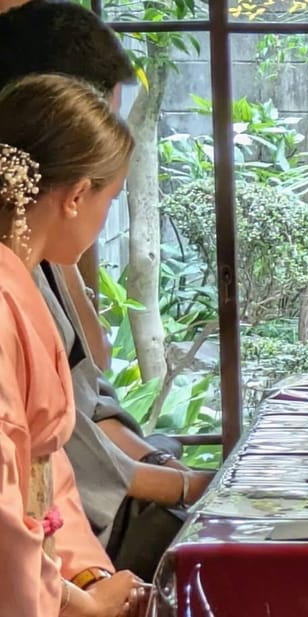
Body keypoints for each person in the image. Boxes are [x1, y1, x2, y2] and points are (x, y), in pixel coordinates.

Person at [0, 0, 213, 580]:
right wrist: (83, 592)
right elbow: (28, 487)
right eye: (106, 198)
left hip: (59, 544)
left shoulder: (29, 265)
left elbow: (83, 398)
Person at [0, 73, 148, 617]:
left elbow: (49, 468)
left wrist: (88, 573)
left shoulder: (24, 278)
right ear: (78, 195)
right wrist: (75, 604)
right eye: (109, 198)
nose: (103, 218)